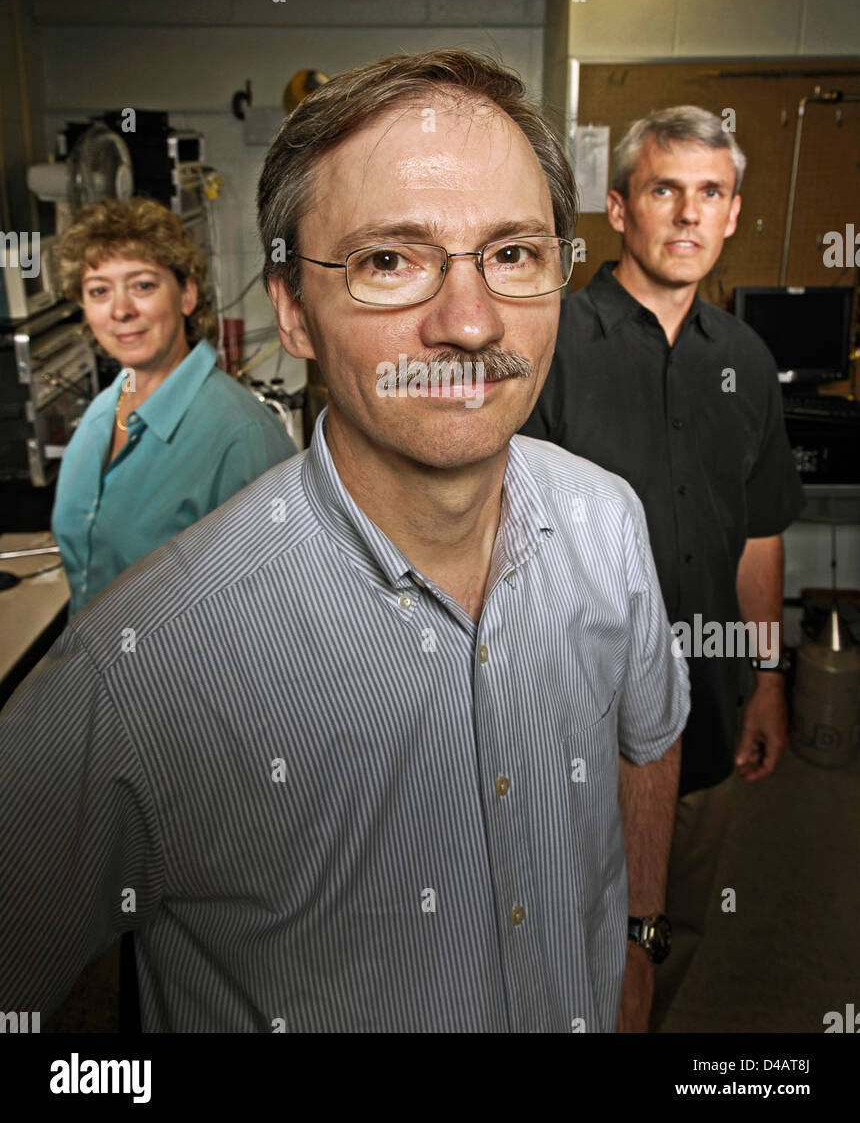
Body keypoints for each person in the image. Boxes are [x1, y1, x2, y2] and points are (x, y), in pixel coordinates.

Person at [0, 50, 688, 1034]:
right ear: (292, 309)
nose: (468, 320)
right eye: (388, 261)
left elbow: (648, 738)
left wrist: (634, 939)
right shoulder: (144, 668)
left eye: (512, 253)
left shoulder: (607, 522)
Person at [520, 105, 805, 1029]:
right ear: (619, 207)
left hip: (712, 701)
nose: (688, 215)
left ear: (731, 215)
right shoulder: (550, 347)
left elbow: (759, 535)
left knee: (671, 928)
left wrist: (765, 677)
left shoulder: (749, 362)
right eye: (664, 190)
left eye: (710, 194)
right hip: (577, 717)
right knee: (557, 929)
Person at [51, 197, 296, 615]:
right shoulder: (99, 414)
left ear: (186, 294)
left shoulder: (242, 435)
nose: (121, 310)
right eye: (99, 291)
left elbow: (275, 605)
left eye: (143, 285)